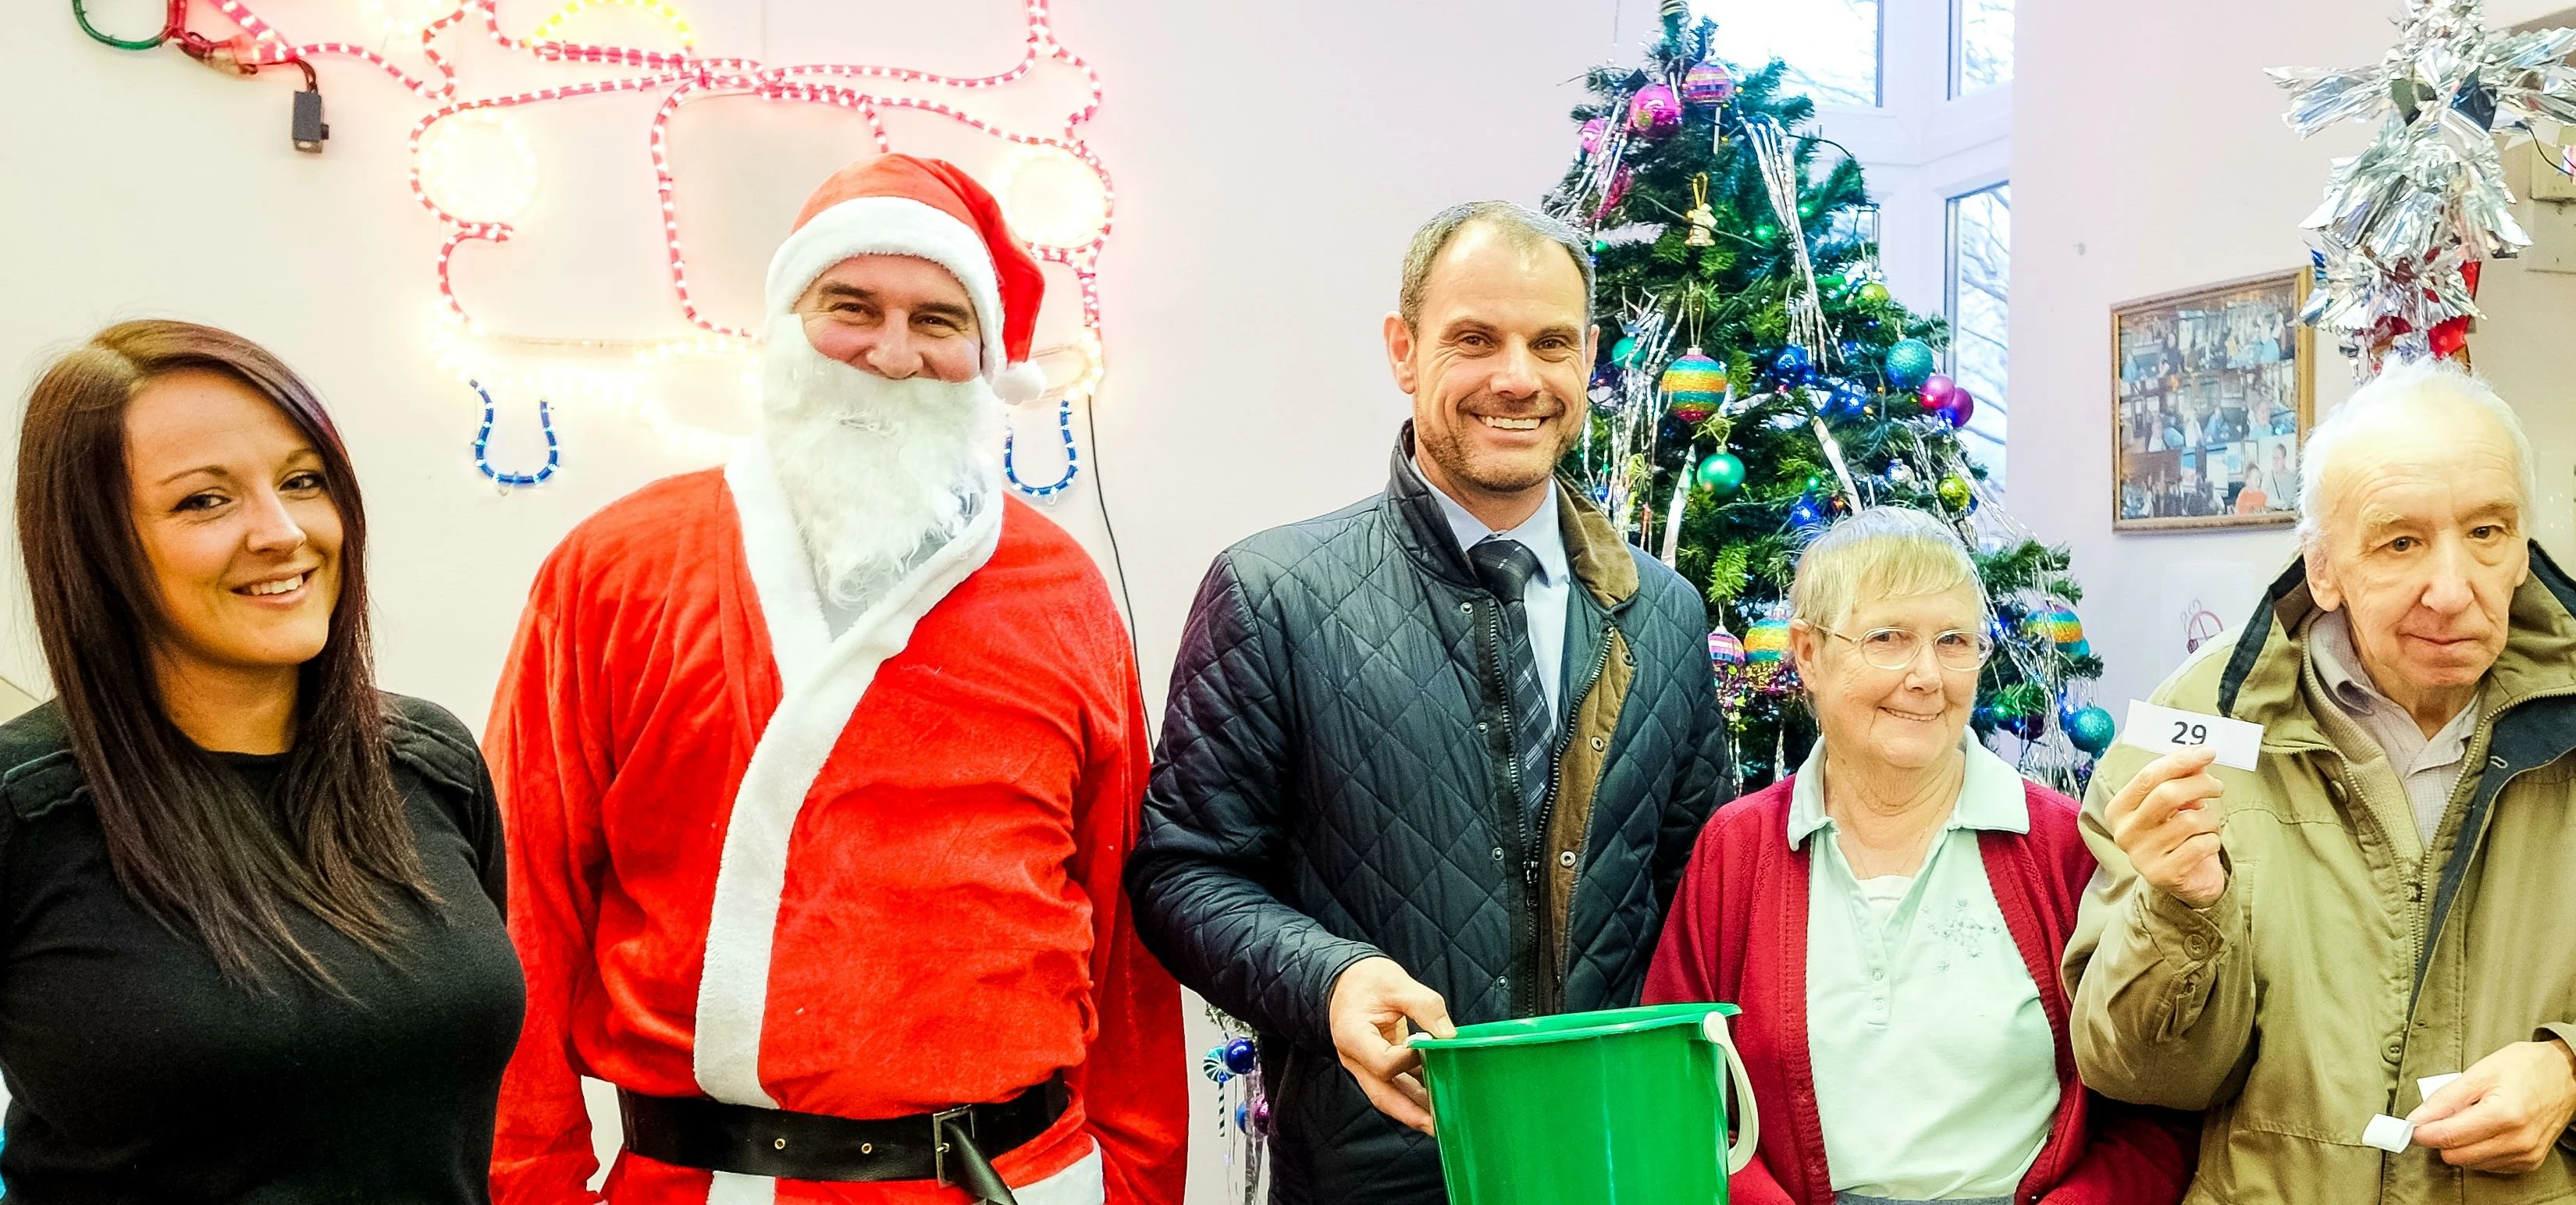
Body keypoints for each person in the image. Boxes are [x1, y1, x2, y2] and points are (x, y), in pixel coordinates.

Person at [486, 155, 1186, 1205]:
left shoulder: (1065, 590)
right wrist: (527, 1185)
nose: (894, 353)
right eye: (849, 307)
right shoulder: (613, 570)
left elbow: (1125, 926)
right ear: (783, 326)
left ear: (987, 354)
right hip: (707, 1179)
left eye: (940, 321)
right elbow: (520, 902)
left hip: (1020, 1179)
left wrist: (1137, 1183)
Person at [1125, 200, 1731, 1203]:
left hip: (1617, 1159)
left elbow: (1698, 887)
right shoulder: (1276, 592)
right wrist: (1333, 978)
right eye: (1475, 339)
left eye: (1550, 343)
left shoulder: (1661, 613)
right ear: (1404, 350)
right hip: (1377, 1170)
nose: (1517, 378)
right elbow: (1185, 873)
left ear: (1588, 359)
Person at [0, 320, 526, 1200]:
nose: (282, 531)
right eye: (204, 500)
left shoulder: (431, 766)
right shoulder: (28, 810)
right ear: (96, 544)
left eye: (303, 481)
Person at [2065, 359, 2576, 1203]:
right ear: (2324, 568)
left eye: (2487, 532)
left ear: (2523, 546)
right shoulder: (2195, 723)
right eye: (2400, 541)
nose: (2452, 590)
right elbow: (2140, 1072)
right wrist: (2180, 911)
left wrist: (2568, 1066)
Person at [1645, 508, 2194, 1205]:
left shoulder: (2063, 845)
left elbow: (2154, 1106)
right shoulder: (1739, 848)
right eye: (1888, 639)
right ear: (1808, 653)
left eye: (1954, 641)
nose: (1928, 676)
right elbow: (1675, 1088)